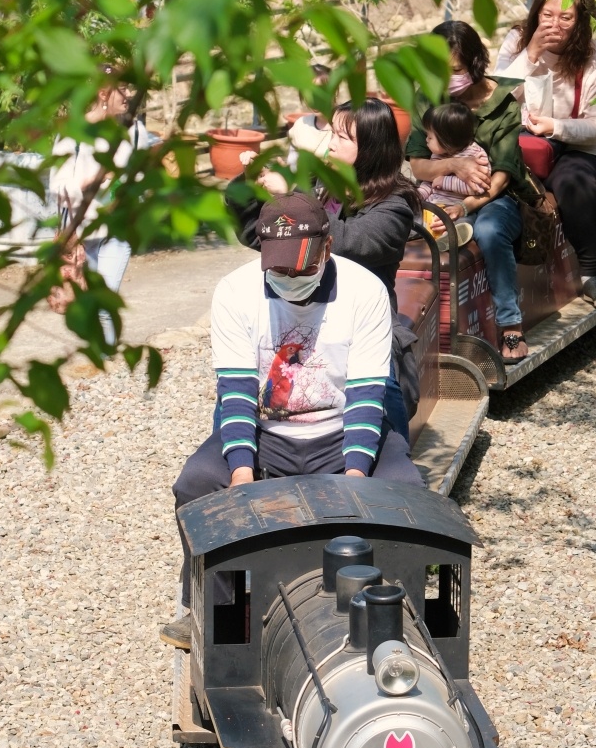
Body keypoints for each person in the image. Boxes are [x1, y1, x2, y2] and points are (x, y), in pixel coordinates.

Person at [161, 192, 423, 648]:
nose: (289, 277)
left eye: (300, 267)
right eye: (278, 268)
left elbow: (366, 395)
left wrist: (355, 478)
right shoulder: (235, 292)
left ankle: (390, 616)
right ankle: (209, 611)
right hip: (268, 431)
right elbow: (237, 391)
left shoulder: (364, 291)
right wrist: (241, 472)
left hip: (340, 428)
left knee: (406, 491)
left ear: (326, 246)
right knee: (196, 484)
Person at [229, 98, 421, 439]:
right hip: (297, 318)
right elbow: (259, 236)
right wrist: (247, 186)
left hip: (363, 326)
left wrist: (290, 195)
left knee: (384, 406)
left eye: (343, 137)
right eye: (331, 131)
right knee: (243, 393)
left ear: (371, 148)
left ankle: (395, 465)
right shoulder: (317, 187)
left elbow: (352, 243)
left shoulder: (395, 204)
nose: (330, 142)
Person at [407, 21, 537, 363]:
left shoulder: (503, 101)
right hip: (441, 194)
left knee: (490, 231)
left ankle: (511, 326)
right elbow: (418, 165)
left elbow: (504, 174)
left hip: (493, 198)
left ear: (476, 62)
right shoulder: (427, 97)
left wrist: (466, 206)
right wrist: (453, 166)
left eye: (457, 70)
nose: (448, 79)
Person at [496, 0, 596, 308]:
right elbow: (493, 101)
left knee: (574, 181)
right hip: (520, 148)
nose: (555, 24)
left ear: (580, 21)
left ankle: (593, 274)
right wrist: (531, 52)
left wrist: (556, 127)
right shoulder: (516, 42)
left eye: (566, 17)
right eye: (547, 15)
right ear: (536, 13)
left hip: (574, 147)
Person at [48, 79, 155, 337]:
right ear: (103, 93)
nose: (129, 94)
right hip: (81, 235)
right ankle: (96, 355)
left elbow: (141, 180)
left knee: (106, 302)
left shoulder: (135, 130)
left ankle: (103, 367)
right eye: (123, 88)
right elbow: (57, 186)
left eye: (129, 88)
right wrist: (92, 180)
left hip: (118, 229)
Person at [416, 102, 491, 203]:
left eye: (430, 137)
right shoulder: (439, 154)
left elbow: (478, 187)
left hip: (456, 210)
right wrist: (420, 194)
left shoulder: (476, 155)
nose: (426, 140)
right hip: (432, 205)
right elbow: (430, 181)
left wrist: (444, 181)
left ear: (447, 140)